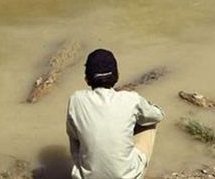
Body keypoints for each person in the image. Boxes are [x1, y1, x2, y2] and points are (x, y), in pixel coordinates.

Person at [66, 49, 164, 179]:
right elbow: (158, 115)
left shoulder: (76, 99)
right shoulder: (131, 99)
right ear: (117, 75)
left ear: (86, 80)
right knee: (149, 122)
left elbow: (74, 137)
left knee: (79, 133)